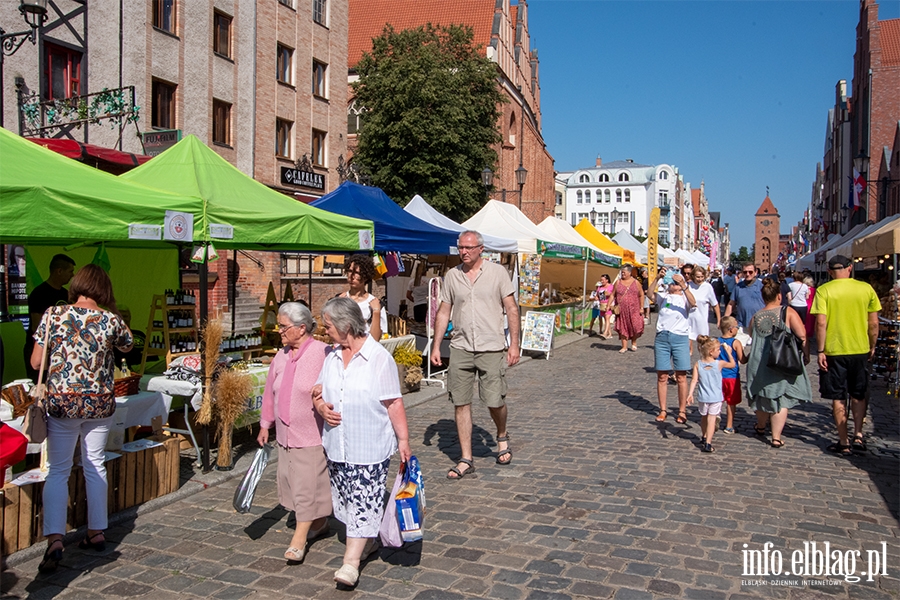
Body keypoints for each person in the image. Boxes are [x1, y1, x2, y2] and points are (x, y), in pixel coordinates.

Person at [30, 264, 133, 574]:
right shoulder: (110, 319)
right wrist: (110, 312)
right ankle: (96, 531)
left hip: (62, 403)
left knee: (58, 470)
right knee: (94, 464)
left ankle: (55, 539)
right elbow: (129, 345)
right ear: (104, 290)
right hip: (99, 404)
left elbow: (36, 360)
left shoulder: (53, 314)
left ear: (76, 285)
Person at [312, 297, 411, 588]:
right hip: (338, 445)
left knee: (364, 498)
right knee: (346, 501)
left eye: (328, 325)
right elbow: (317, 393)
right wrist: (321, 408)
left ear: (346, 326)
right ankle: (366, 541)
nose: (325, 330)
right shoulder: (331, 356)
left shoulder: (378, 358)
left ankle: (351, 562)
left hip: (369, 444)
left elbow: (393, 402)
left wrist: (403, 439)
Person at [430, 231, 520, 478]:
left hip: (491, 347)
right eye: (460, 247)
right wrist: (436, 345)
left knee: (494, 400)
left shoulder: (498, 273)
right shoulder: (452, 276)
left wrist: (514, 345)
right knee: (460, 402)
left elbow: (512, 309)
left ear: (481, 249)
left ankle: (501, 435)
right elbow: (443, 312)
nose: (464, 252)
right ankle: (466, 458)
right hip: (460, 346)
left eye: (469, 247)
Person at [258, 302, 331, 562]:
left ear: (301, 328)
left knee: (306, 487)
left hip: (311, 433)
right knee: (293, 482)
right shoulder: (281, 356)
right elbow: (270, 393)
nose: (279, 330)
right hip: (285, 435)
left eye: (283, 326)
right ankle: (320, 522)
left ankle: (299, 539)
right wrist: (266, 424)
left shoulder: (324, 353)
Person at [810, 255, 881, 456]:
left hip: (835, 350)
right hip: (859, 349)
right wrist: (872, 345)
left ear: (830, 272)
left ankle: (844, 441)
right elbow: (874, 324)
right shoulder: (866, 289)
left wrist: (821, 350)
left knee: (838, 396)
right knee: (858, 394)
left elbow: (821, 323)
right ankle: (858, 434)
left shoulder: (824, 290)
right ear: (850, 268)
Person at [745, 278, 812, 449]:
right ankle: (775, 437)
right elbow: (802, 335)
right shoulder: (787, 312)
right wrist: (805, 353)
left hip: (759, 361)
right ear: (779, 296)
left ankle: (760, 426)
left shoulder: (756, 316)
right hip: (781, 360)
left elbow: (751, 336)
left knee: (761, 395)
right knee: (780, 397)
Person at [650, 267, 696, 424]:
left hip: (680, 337)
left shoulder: (685, 296)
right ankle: (663, 410)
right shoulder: (664, 297)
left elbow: (693, 303)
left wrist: (683, 285)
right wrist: (657, 278)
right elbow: (649, 295)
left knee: (681, 376)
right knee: (662, 375)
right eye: (672, 283)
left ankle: (682, 411)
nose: (674, 285)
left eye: (676, 283)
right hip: (662, 337)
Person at [26, 254, 75, 378]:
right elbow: (36, 326)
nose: (72, 275)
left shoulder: (67, 295)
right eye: (70, 271)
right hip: (41, 352)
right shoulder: (39, 294)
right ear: (59, 271)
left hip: (62, 352)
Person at [687, 335, 735, 453]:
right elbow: (733, 364)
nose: (720, 352)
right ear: (710, 352)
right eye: (718, 350)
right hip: (715, 397)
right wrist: (729, 352)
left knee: (704, 417)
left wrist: (690, 393)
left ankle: (704, 436)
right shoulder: (719, 364)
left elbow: (694, 380)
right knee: (712, 419)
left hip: (703, 397)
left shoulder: (698, 364)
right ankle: (708, 442)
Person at [341, 255, 387, 342]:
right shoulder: (340, 299)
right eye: (350, 271)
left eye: (357, 273)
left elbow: (376, 339)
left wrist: (376, 311)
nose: (352, 276)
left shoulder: (376, 304)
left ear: (366, 276)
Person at [717, 316, 746, 434]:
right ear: (730, 329)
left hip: (719, 376)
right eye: (736, 327)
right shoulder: (736, 343)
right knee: (731, 402)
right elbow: (742, 359)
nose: (738, 329)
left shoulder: (716, 341)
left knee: (718, 400)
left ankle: (716, 416)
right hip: (732, 377)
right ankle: (729, 425)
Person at [610, 264, 645, 353]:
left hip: (634, 310)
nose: (622, 274)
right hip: (622, 311)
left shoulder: (636, 282)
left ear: (629, 273)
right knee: (623, 327)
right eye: (621, 273)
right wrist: (608, 305)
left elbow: (641, 295)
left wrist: (641, 307)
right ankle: (624, 346)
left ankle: (634, 342)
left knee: (635, 326)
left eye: (624, 272)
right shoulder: (618, 282)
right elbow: (612, 294)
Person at [687, 266, 721, 354]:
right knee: (687, 346)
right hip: (688, 319)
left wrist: (719, 319)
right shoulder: (688, 286)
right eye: (698, 277)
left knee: (703, 347)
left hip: (701, 320)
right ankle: (685, 365)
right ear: (693, 276)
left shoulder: (707, 287)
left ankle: (703, 364)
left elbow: (715, 304)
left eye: (702, 277)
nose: (700, 279)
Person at [726, 263, 765, 331]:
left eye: (750, 272)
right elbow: (731, 304)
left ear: (755, 272)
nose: (747, 274)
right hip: (742, 325)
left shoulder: (762, 286)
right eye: (745, 272)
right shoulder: (738, 287)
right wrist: (725, 320)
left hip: (759, 325)